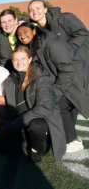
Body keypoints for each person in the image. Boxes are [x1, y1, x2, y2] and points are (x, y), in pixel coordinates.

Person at [16, 21, 89, 152]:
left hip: (72, 80)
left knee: (59, 104)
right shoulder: (34, 44)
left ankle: (73, 140)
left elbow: (66, 69)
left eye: (25, 32)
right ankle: (69, 137)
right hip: (64, 81)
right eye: (19, 34)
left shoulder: (51, 43)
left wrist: (56, 91)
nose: (22, 36)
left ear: (34, 31)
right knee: (66, 107)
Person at [0, 47, 66, 163]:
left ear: (30, 59)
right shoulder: (9, 81)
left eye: (23, 58)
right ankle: (27, 141)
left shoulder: (42, 79)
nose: (19, 62)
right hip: (20, 124)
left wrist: (17, 123)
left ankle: (38, 149)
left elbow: (44, 108)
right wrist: (7, 126)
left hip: (39, 121)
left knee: (36, 126)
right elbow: (10, 110)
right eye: (15, 59)